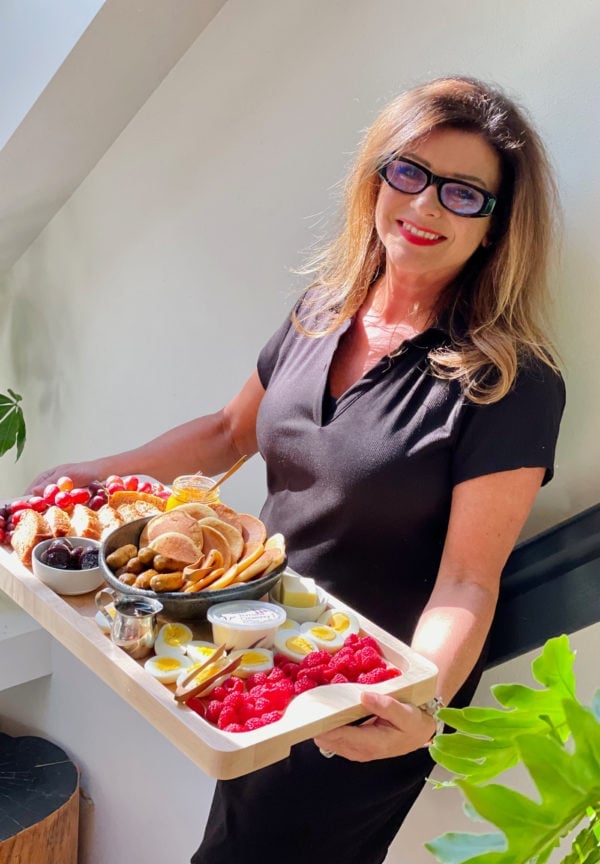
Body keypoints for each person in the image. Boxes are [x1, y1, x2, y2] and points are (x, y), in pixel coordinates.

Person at [28, 76, 565, 864]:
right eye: (408, 172)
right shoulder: (322, 309)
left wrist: (421, 700)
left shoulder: (509, 382)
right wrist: (90, 475)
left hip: (360, 696)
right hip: (250, 649)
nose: (423, 207)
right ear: (377, 178)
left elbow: (467, 583)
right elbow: (223, 434)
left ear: (496, 225)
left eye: (463, 194)